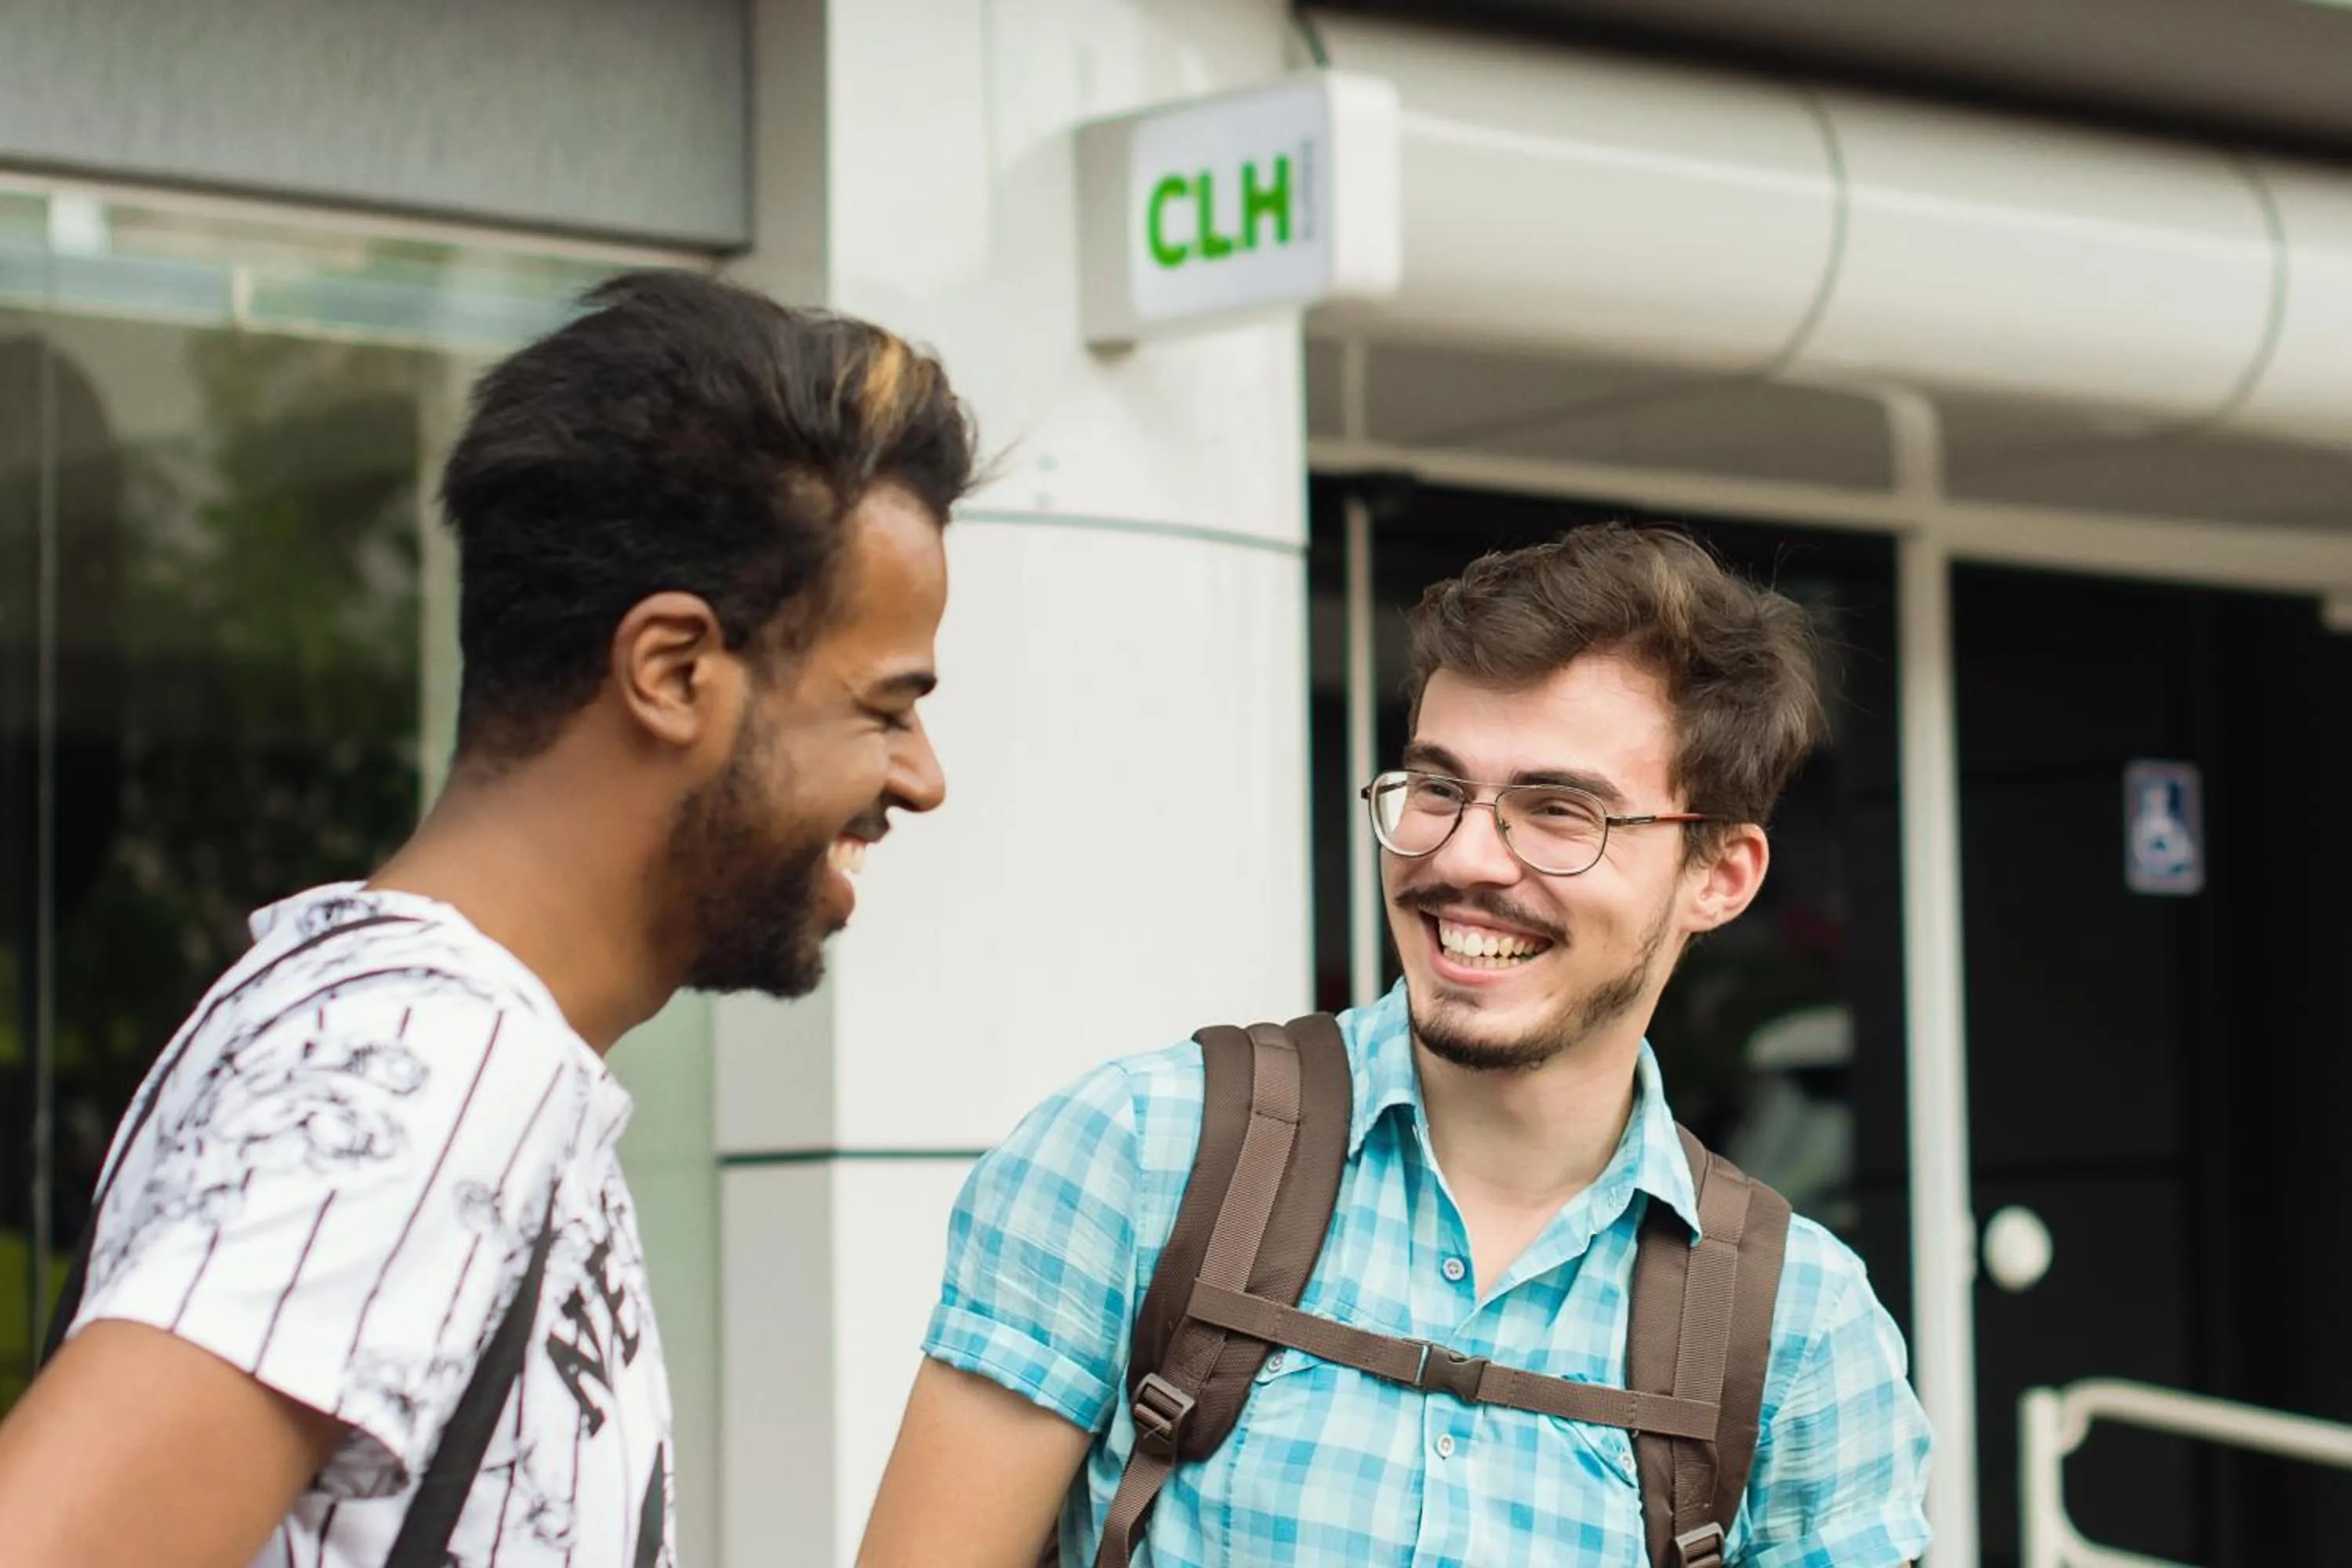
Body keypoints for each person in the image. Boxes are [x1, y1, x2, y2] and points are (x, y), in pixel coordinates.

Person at [0, 269, 978, 1568]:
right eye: (883, 708)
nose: (923, 776)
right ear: (675, 669)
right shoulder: (430, 1077)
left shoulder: (433, 1052)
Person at [860, 524, 1932, 1566]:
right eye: (1438, 788)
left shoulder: (1799, 1334)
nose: (1462, 857)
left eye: (1559, 811)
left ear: (1720, 875)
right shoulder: (1141, 1155)